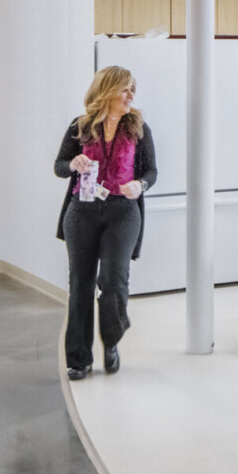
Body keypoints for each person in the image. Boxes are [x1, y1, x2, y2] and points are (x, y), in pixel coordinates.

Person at [52, 66, 157, 381]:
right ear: (107, 91)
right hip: (81, 211)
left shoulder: (139, 128)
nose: (130, 96)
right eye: (124, 90)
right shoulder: (80, 126)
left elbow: (151, 172)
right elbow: (59, 166)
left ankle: (111, 341)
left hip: (123, 211)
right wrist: (72, 163)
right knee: (80, 285)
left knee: (113, 282)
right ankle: (79, 359)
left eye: (132, 90)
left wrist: (141, 185)